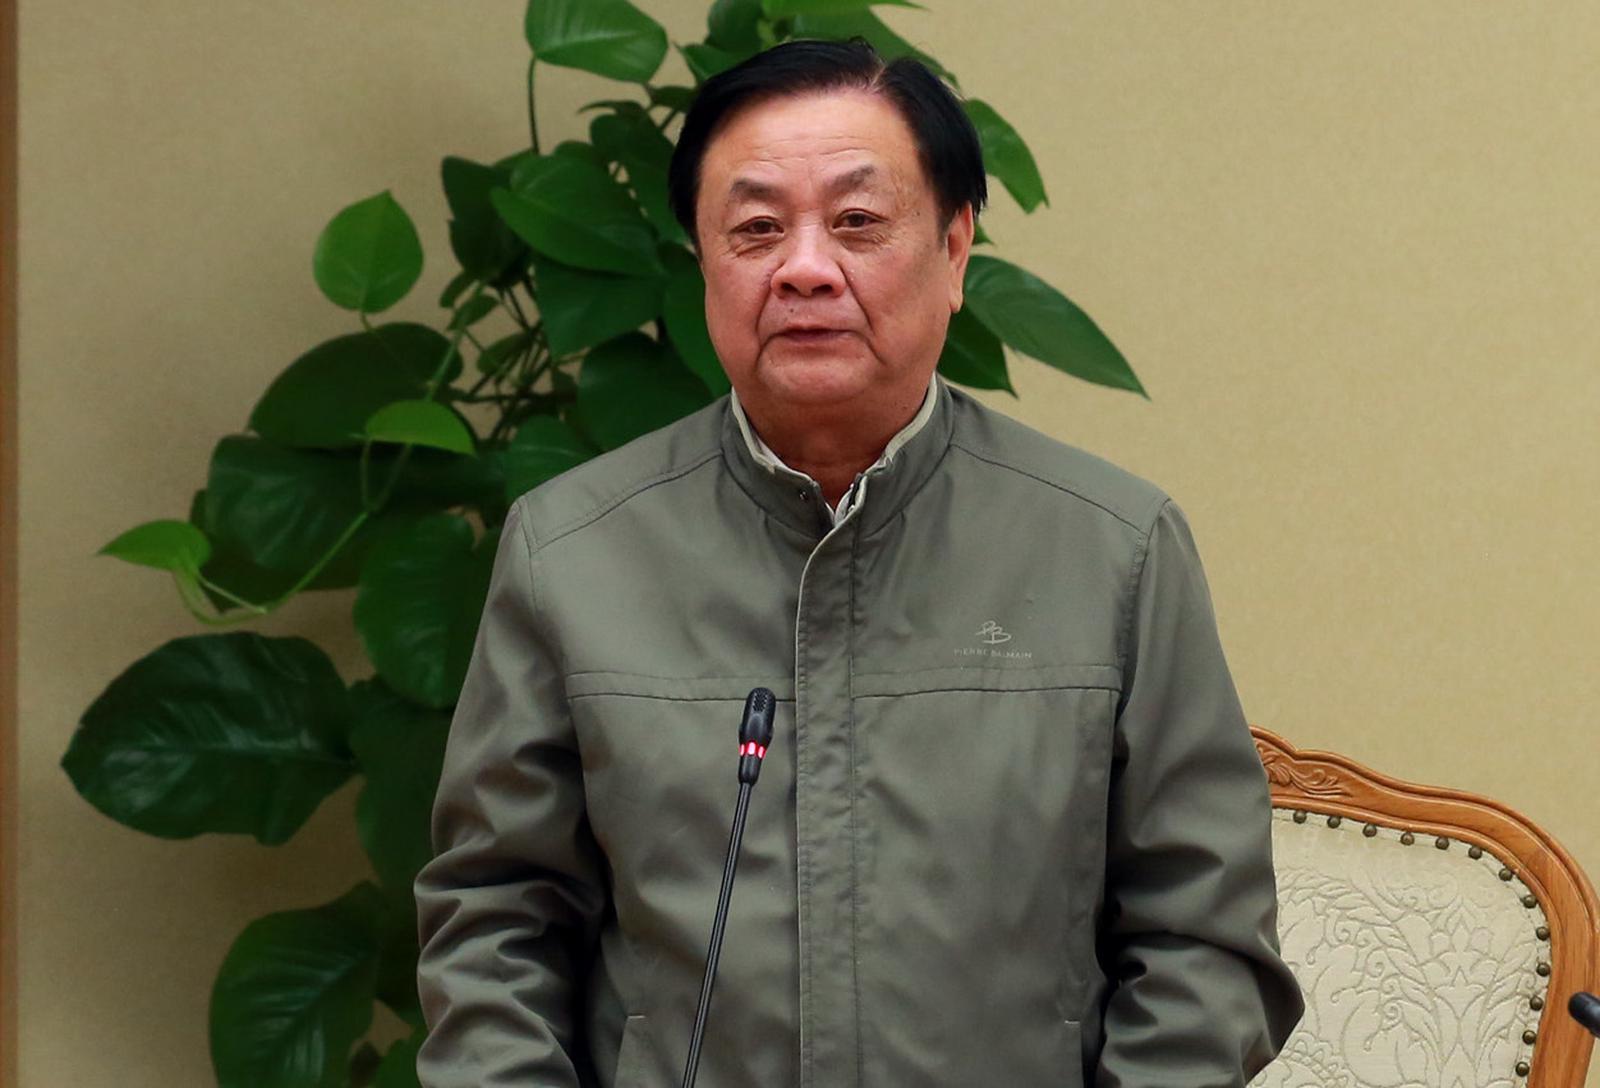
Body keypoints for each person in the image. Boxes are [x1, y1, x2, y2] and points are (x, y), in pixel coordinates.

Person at [414, 37, 1305, 1088]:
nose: (804, 267)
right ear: (703, 263)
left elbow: (1203, 941)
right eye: (755, 228)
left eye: (857, 222)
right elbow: (494, 927)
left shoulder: (1114, 547)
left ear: (955, 250)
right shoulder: (571, 550)